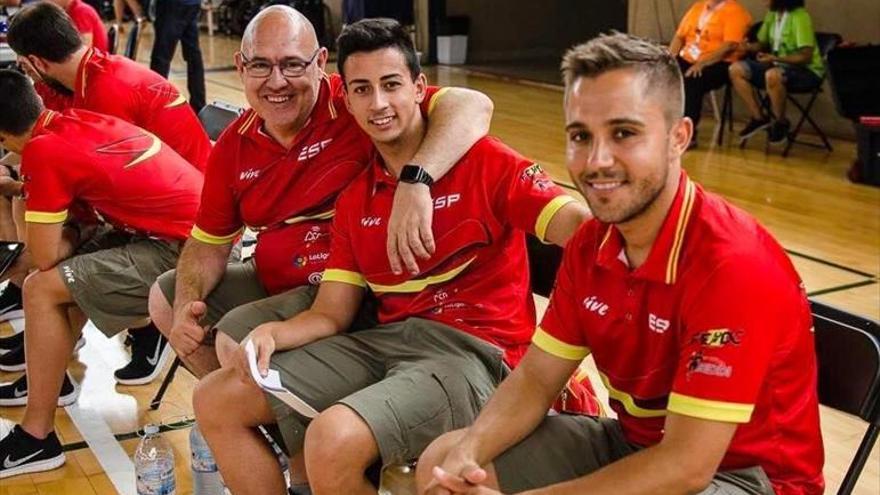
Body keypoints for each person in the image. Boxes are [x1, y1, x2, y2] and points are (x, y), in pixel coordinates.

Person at [191, 18, 591, 495]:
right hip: (389, 341)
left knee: (332, 440)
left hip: (474, 353)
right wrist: (271, 332)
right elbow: (330, 312)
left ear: (420, 87)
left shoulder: (486, 162)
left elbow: (581, 228)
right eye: (362, 89)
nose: (378, 104)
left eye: (391, 85)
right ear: (346, 97)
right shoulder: (357, 198)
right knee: (215, 399)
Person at [418, 32, 824, 495]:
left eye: (624, 133)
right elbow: (534, 380)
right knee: (443, 462)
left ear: (679, 137)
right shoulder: (592, 242)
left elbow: (687, 467)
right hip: (637, 443)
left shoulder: (732, 265)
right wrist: (466, 458)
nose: (597, 160)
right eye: (580, 136)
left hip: (748, 479)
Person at [147, 6, 495, 379]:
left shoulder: (360, 103)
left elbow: (474, 105)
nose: (277, 82)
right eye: (261, 65)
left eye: (293, 65)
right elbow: (208, 243)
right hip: (278, 279)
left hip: (351, 288)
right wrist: (187, 303)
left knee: (236, 343)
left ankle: (254, 412)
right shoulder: (233, 146)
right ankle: (252, 418)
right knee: (166, 299)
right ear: (240, 66)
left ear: (320, 63)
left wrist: (415, 180)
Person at [0, 69, 203, 478]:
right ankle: (49, 381)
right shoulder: (73, 118)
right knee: (60, 281)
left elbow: (43, 256)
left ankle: (37, 437)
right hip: (182, 232)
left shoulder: (41, 151)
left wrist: (29, 199)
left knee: (42, 288)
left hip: (193, 253)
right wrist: (35, 200)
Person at [0, 1, 211, 385]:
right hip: (173, 205)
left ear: (37, 62)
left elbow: (100, 192)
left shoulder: (105, 94)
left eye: (25, 65)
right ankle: (47, 340)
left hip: (188, 225)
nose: (25, 73)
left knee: (51, 259)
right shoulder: (94, 74)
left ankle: (144, 328)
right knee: (46, 237)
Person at [730, 0, 825, 145]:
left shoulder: (800, 17)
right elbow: (762, 43)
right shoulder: (772, 15)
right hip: (778, 65)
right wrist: (747, 47)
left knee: (773, 75)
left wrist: (776, 58)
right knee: (736, 69)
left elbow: (805, 56)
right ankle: (758, 118)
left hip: (806, 71)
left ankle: (781, 122)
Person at [668, 0, 751, 148]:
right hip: (689, 57)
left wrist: (702, 63)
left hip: (718, 62)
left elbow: (730, 45)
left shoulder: (735, 11)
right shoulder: (697, 7)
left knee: (692, 79)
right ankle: (663, 128)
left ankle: (689, 135)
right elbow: (679, 36)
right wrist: (668, 58)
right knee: (660, 73)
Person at [150, 0, 206, 112]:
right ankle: (199, 105)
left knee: (161, 58)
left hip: (172, 5)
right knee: (193, 56)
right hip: (192, 3)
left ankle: (155, 105)